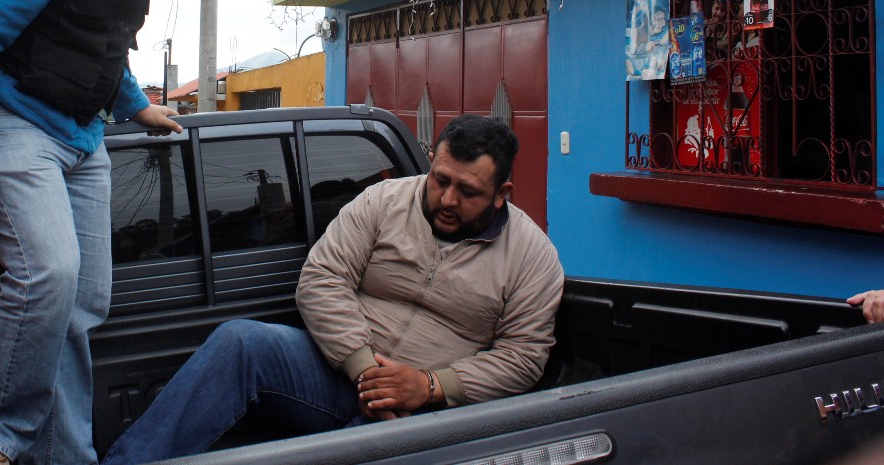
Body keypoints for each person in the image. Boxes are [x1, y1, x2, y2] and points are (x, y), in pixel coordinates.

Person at [101, 115, 565, 465]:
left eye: (467, 191)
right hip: (337, 372)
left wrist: (428, 387)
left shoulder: (532, 256)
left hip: (430, 413)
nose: (447, 199)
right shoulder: (383, 201)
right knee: (240, 341)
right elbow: (322, 278)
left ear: (501, 193)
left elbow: (524, 356)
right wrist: (364, 370)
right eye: (440, 180)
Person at [0, 0, 182, 464]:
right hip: (19, 120)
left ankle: (65, 456)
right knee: (48, 274)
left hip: (85, 137)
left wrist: (136, 105)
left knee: (81, 303)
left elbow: (104, 39)